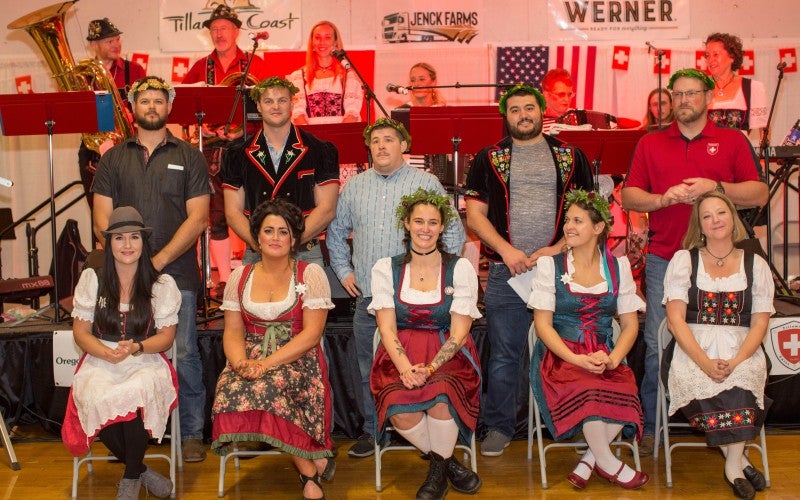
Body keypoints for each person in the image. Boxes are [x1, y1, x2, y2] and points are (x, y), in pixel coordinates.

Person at [622, 68, 769, 456]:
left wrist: (714, 188)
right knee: (657, 345)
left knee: (724, 337)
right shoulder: (651, 143)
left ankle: (726, 421)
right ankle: (652, 428)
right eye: (678, 94)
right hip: (665, 258)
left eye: (692, 93)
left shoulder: (732, 140)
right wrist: (661, 200)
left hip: (720, 262)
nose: (684, 100)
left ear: (709, 97)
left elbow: (759, 194)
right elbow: (629, 197)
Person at [464, 83, 593, 456]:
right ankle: (500, 427)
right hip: (508, 272)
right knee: (505, 353)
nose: (523, 115)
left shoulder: (571, 156)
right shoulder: (489, 158)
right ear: (506, 117)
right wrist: (506, 251)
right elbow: (475, 215)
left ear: (541, 111)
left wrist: (556, 249)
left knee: (570, 348)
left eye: (529, 108)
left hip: (562, 267)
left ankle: (574, 424)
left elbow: (587, 212)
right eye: (515, 109)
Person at [327, 118, 466, 458]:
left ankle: (425, 428)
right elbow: (335, 233)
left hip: (415, 300)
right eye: (375, 141)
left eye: (389, 139)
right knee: (366, 368)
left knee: (422, 364)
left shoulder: (426, 183)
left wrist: (441, 275)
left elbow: (454, 234)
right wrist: (345, 271)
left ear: (404, 146)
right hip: (370, 299)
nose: (382, 146)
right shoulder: (355, 187)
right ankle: (372, 431)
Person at [92, 76, 211, 463]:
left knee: (183, 350)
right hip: (124, 275)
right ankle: (132, 436)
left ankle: (192, 433)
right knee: (127, 351)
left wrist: (155, 263)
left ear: (168, 106)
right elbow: (101, 219)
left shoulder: (190, 155)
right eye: (145, 100)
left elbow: (198, 218)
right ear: (133, 106)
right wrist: (134, 262)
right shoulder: (113, 156)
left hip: (178, 272)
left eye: (159, 100)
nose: (152, 106)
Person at [211, 199, 335, 500]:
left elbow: (312, 334)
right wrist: (240, 363)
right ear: (258, 237)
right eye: (269, 231)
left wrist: (265, 365)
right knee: (229, 387)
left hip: (297, 355)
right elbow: (233, 331)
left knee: (269, 389)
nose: (276, 237)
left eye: (283, 231)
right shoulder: (240, 277)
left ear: (294, 238)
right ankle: (309, 468)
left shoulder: (310, 274)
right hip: (250, 355)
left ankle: (308, 470)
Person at [529, 189, 648, 490]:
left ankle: (589, 461)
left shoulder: (618, 267)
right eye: (568, 220)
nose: (569, 226)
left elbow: (630, 326)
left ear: (598, 228)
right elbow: (542, 326)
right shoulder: (550, 266)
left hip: (604, 351)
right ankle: (610, 465)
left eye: (578, 221)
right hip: (559, 355)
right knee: (592, 389)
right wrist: (577, 359)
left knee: (625, 387)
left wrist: (613, 358)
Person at [370, 188, 482, 499]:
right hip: (400, 351)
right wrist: (405, 368)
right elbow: (386, 325)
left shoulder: (459, 268)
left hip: (448, 351)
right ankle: (448, 464)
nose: (425, 229)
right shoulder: (386, 268)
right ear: (406, 223)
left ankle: (436, 475)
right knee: (400, 410)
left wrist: (431, 367)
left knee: (443, 398)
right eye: (418, 221)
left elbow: (460, 332)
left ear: (443, 226)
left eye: (433, 222)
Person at [62, 206, 179, 500]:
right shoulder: (93, 279)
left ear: (143, 241)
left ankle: (129, 479)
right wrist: (103, 351)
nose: (127, 245)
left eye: (134, 237)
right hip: (101, 357)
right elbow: (80, 332)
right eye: (119, 238)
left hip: (144, 357)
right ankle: (139, 471)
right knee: (96, 397)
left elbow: (166, 337)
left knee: (137, 390)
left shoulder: (160, 284)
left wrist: (137, 347)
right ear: (108, 243)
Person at [663, 191, 773, 499]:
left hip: (742, 348)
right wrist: (704, 362)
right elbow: (675, 321)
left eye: (721, 213)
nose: (715, 221)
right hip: (692, 349)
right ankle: (737, 463)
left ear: (733, 217)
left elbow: (760, 324)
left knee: (742, 381)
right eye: (707, 216)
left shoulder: (756, 264)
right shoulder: (685, 260)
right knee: (704, 382)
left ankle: (733, 463)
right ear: (699, 225)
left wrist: (737, 361)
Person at [183, 4, 269, 298]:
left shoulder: (254, 63)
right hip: (213, 150)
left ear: (236, 31)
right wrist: (203, 127)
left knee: (256, 209)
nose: (219, 34)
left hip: (248, 147)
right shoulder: (201, 67)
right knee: (216, 214)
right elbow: (184, 107)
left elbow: (271, 104)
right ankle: (223, 280)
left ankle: (261, 272)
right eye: (215, 29)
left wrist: (244, 129)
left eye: (224, 28)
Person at [221, 76, 340, 268]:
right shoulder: (236, 154)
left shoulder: (321, 150)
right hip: (256, 253)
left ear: (292, 103)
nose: (275, 106)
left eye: (282, 100)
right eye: (268, 101)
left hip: (305, 253)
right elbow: (232, 212)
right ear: (258, 106)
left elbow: (327, 209)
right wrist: (260, 244)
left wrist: (288, 242)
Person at [79, 18, 145, 210]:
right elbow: (74, 114)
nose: (116, 45)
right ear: (93, 45)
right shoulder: (83, 75)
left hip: (130, 149)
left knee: (133, 208)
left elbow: (149, 107)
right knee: (99, 210)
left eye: (117, 39)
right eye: (109, 41)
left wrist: (133, 114)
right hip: (94, 152)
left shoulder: (135, 70)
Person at [287, 20, 364, 124]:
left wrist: (336, 137)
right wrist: (312, 138)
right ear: (312, 43)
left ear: (335, 42)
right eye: (317, 38)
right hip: (310, 136)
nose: (322, 42)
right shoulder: (298, 77)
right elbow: (298, 113)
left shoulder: (348, 75)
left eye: (327, 37)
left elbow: (352, 113)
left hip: (340, 135)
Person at [704, 32, 768, 141]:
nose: (710, 60)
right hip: (707, 153)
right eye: (707, 56)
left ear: (732, 56)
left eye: (716, 54)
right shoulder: (701, 87)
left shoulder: (752, 88)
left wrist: (763, 157)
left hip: (740, 154)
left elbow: (764, 130)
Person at [541, 69, 574, 133]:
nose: (567, 99)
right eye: (561, 94)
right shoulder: (535, 121)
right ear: (546, 95)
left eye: (569, 95)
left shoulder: (578, 118)